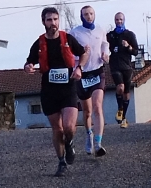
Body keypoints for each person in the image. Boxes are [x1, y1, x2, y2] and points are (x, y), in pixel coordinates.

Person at [24, 7, 89, 177]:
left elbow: (83, 54)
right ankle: (61, 162)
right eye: (49, 20)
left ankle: (70, 143)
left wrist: (79, 68)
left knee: (68, 127)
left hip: (68, 88)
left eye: (55, 19)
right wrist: (29, 67)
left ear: (58, 20)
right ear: (43, 22)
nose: (52, 23)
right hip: (49, 90)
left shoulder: (67, 38)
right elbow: (29, 61)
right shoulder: (39, 43)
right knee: (57, 129)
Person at [69, 5, 109, 157]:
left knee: (97, 106)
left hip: (98, 72)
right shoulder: (75, 32)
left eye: (91, 13)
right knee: (87, 112)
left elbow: (105, 44)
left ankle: (98, 144)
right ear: (81, 16)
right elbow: (69, 51)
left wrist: (105, 54)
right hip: (83, 74)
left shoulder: (100, 30)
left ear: (94, 14)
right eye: (86, 14)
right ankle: (89, 135)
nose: (89, 16)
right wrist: (78, 58)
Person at [106, 12, 138, 128]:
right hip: (115, 65)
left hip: (127, 66)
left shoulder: (129, 35)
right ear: (114, 20)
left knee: (126, 93)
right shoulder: (110, 35)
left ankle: (124, 118)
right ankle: (119, 108)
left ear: (124, 20)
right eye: (117, 19)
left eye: (120, 19)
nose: (119, 21)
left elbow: (136, 51)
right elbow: (104, 46)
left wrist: (128, 46)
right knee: (120, 87)